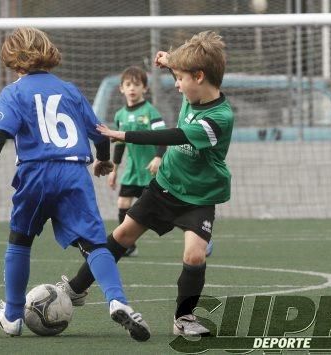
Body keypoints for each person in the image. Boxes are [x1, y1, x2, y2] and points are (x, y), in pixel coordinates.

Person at [0, 27, 150, 342]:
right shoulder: (70, 90)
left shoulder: (13, 93)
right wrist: (104, 160)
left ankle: (13, 316)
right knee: (95, 245)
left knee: (20, 240)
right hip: (74, 172)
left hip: (36, 173)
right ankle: (117, 300)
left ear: (14, 62)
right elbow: (99, 131)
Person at [58, 31, 233, 336]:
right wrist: (169, 62)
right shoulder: (195, 89)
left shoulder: (220, 117)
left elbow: (172, 136)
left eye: (180, 79)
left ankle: (184, 319)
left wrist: (122, 134)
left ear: (200, 76)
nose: (176, 86)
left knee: (194, 255)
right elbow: (183, 72)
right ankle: (75, 289)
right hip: (165, 186)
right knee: (123, 235)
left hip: (200, 197)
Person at [108, 66, 166, 257]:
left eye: (137, 84)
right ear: (121, 89)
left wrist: (158, 157)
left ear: (145, 88)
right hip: (132, 171)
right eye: (128, 84)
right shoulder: (119, 116)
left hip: (151, 172)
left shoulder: (151, 112)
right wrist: (114, 169)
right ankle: (127, 244)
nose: (132, 88)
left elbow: (164, 138)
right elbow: (120, 144)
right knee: (123, 203)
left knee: (164, 210)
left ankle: (196, 233)